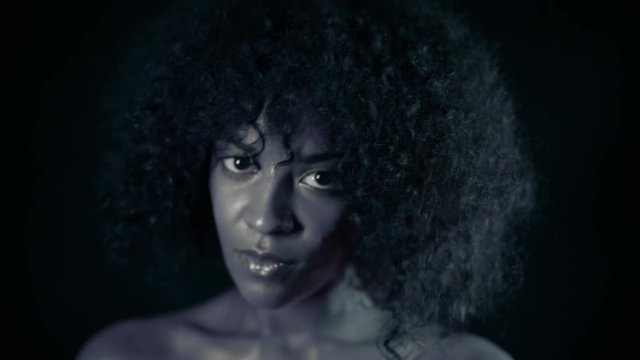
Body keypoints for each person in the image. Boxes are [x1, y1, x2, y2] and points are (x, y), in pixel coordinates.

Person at [79, 0, 534, 359]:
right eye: (241, 164)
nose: (266, 218)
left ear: (393, 189)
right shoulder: (131, 355)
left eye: (320, 177)